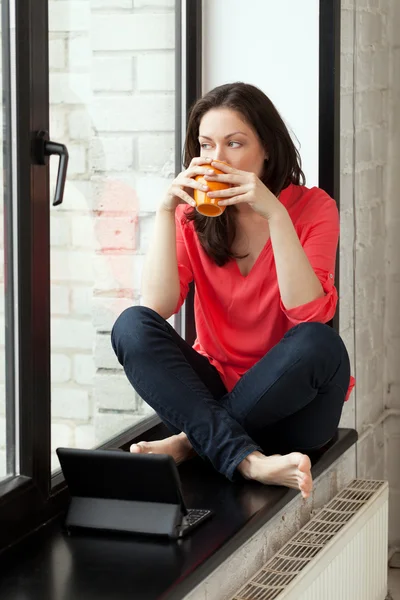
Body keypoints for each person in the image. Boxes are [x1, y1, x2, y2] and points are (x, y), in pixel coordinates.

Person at [111, 82, 353, 500]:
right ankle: (248, 460)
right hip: (215, 396)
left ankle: (191, 444)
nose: (216, 160)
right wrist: (166, 211)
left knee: (320, 342)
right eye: (206, 146)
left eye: (234, 144)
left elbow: (308, 315)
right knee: (131, 325)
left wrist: (276, 214)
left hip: (294, 410)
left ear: (267, 150)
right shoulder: (193, 215)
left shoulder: (314, 208)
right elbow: (158, 306)